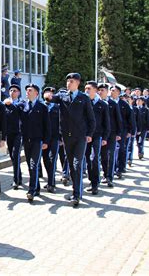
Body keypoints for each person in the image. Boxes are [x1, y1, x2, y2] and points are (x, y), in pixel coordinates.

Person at [47, 73, 95, 206]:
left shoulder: (83, 98)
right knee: (72, 166)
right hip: (67, 136)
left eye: (72, 81)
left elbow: (91, 118)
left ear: (78, 83)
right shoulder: (62, 96)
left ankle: (77, 194)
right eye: (68, 81)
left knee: (76, 164)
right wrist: (47, 96)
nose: (69, 83)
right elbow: (52, 98)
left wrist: (89, 134)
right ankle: (76, 190)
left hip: (80, 136)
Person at [6, 83, 50, 201]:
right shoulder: (22, 105)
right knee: (31, 166)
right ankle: (37, 187)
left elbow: (47, 126)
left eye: (30, 90)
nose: (27, 92)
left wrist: (46, 141)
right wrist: (8, 104)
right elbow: (12, 111)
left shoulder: (42, 107)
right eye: (27, 90)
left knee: (33, 164)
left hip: (37, 140)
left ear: (36, 93)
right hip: (26, 140)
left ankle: (31, 190)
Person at [83, 81, 110, 195]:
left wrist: (105, 137)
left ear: (95, 90)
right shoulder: (83, 103)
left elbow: (107, 123)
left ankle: (95, 184)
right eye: (85, 89)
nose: (86, 91)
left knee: (94, 158)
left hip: (97, 135)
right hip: (85, 136)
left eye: (89, 88)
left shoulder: (102, 104)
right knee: (88, 160)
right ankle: (92, 181)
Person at [98, 83, 122, 188]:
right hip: (100, 133)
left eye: (102, 90)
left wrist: (119, 133)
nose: (100, 92)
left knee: (110, 155)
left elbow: (118, 119)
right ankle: (104, 174)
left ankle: (109, 177)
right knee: (102, 156)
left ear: (107, 92)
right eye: (99, 90)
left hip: (111, 133)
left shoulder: (112, 103)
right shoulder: (95, 103)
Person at [110, 86, 134, 178]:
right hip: (112, 130)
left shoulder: (124, 104)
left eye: (114, 91)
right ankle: (112, 169)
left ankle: (120, 168)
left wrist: (129, 131)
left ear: (119, 93)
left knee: (121, 149)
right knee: (111, 151)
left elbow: (130, 118)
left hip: (123, 130)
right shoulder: (108, 103)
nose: (111, 92)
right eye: (111, 90)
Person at [41, 86, 60, 193]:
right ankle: (50, 179)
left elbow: (62, 123)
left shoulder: (58, 107)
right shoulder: (41, 106)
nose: (49, 94)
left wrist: (61, 137)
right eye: (47, 92)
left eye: (52, 93)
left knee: (53, 159)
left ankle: (51, 183)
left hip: (55, 137)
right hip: (44, 138)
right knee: (45, 159)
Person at [5, 84, 23, 189]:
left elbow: (18, 110)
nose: (12, 92)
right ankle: (19, 176)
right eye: (11, 90)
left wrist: (10, 104)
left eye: (15, 90)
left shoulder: (21, 103)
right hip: (9, 133)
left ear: (19, 93)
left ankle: (16, 180)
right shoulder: (6, 104)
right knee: (12, 156)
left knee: (15, 155)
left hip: (19, 133)